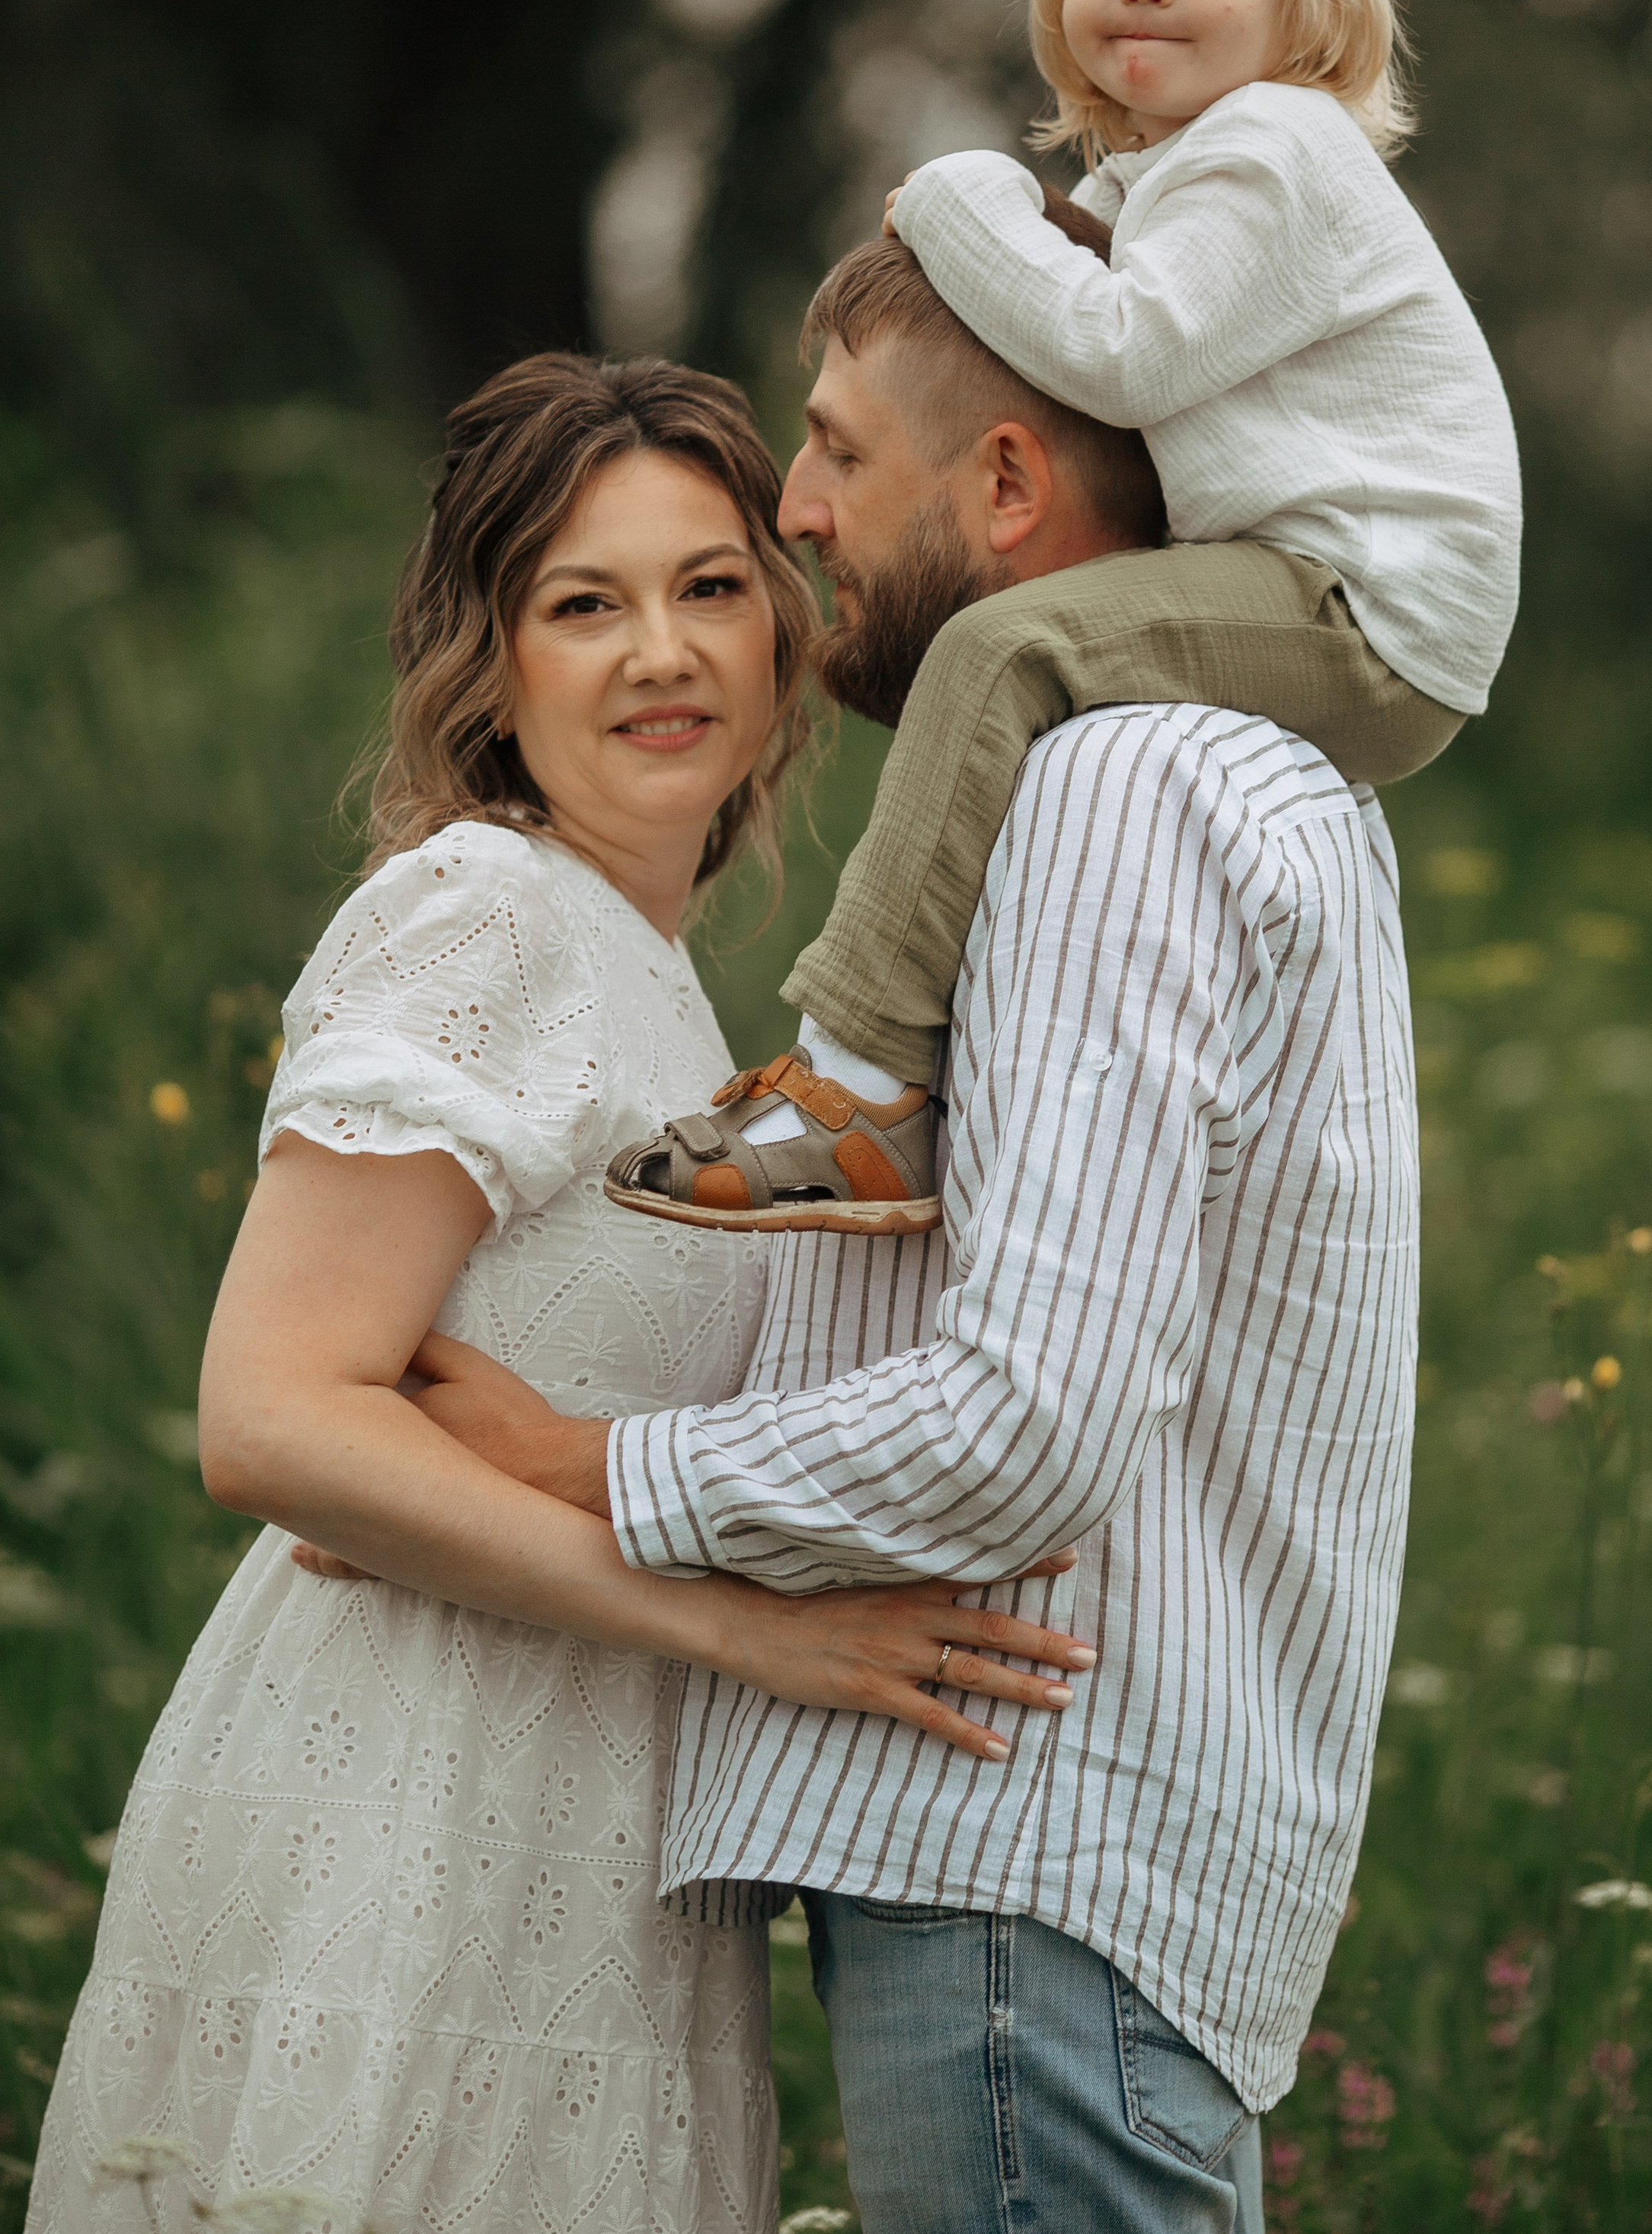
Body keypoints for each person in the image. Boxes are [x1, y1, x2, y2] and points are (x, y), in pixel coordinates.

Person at [403, 238, 1424, 2233]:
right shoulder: (1235, 777)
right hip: (1058, 1881)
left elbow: (1021, 1418)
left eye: (837, 450)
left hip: (1028, 1867)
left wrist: (578, 1468)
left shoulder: (1117, 783)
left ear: (1012, 489)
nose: (793, 513)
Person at [28, 356, 1085, 2234]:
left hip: (591, 1825)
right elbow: (273, 1413)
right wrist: (750, 1632)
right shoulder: (485, 914)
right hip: (402, 1806)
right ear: (491, 664)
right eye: (583, 605)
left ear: (777, 623)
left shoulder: (657, 981)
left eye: (706, 586)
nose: (661, 652)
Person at [614, 0, 1519, 1235]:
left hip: (1368, 600)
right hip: (1321, 581)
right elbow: (1046, 296)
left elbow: (1120, 348)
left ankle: (862, 1082)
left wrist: (959, 188)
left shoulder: (1275, 150)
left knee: (999, 644)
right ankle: (912, 1061)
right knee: (1026, 651)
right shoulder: (1170, 174)